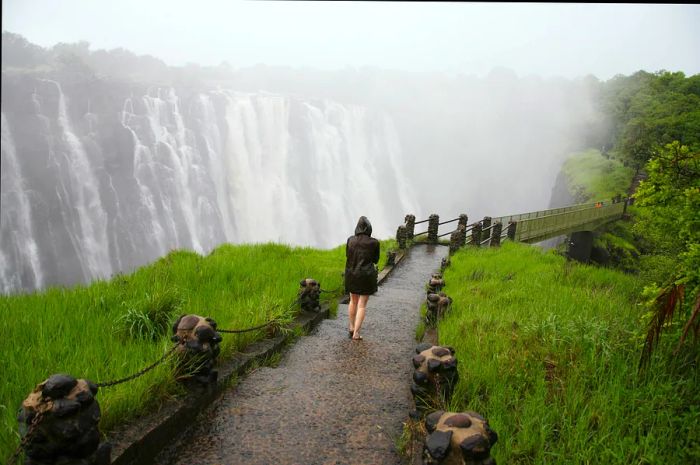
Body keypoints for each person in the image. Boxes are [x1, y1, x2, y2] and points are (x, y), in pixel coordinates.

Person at [344, 216, 380, 341]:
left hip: (352, 274)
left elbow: (348, 255)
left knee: (352, 301)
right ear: (369, 228)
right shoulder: (374, 242)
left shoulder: (350, 240)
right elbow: (375, 260)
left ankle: (351, 326)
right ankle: (357, 334)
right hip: (366, 276)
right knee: (362, 305)